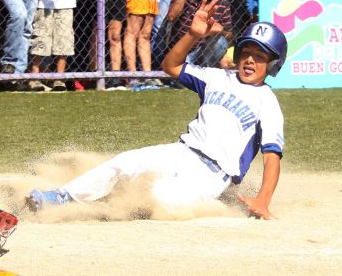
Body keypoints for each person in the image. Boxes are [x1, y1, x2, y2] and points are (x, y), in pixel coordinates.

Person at [26, 16, 287, 222]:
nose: (250, 59)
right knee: (123, 162)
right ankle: (62, 197)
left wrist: (263, 200)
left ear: (273, 66)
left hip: (212, 175)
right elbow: (171, 66)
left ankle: (106, 204)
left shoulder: (267, 101)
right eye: (247, 52)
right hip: (181, 152)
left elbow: (271, 156)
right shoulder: (217, 77)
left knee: (159, 195)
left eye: (261, 56)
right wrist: (193, 35)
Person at [166, 0, 233, 67]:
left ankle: (204, 72)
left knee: (220, 42)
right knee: (183, 75)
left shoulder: (221, 2)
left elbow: (229, 35)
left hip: (203, 50)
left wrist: (219, 30)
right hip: (182, 48)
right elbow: (171, 16)